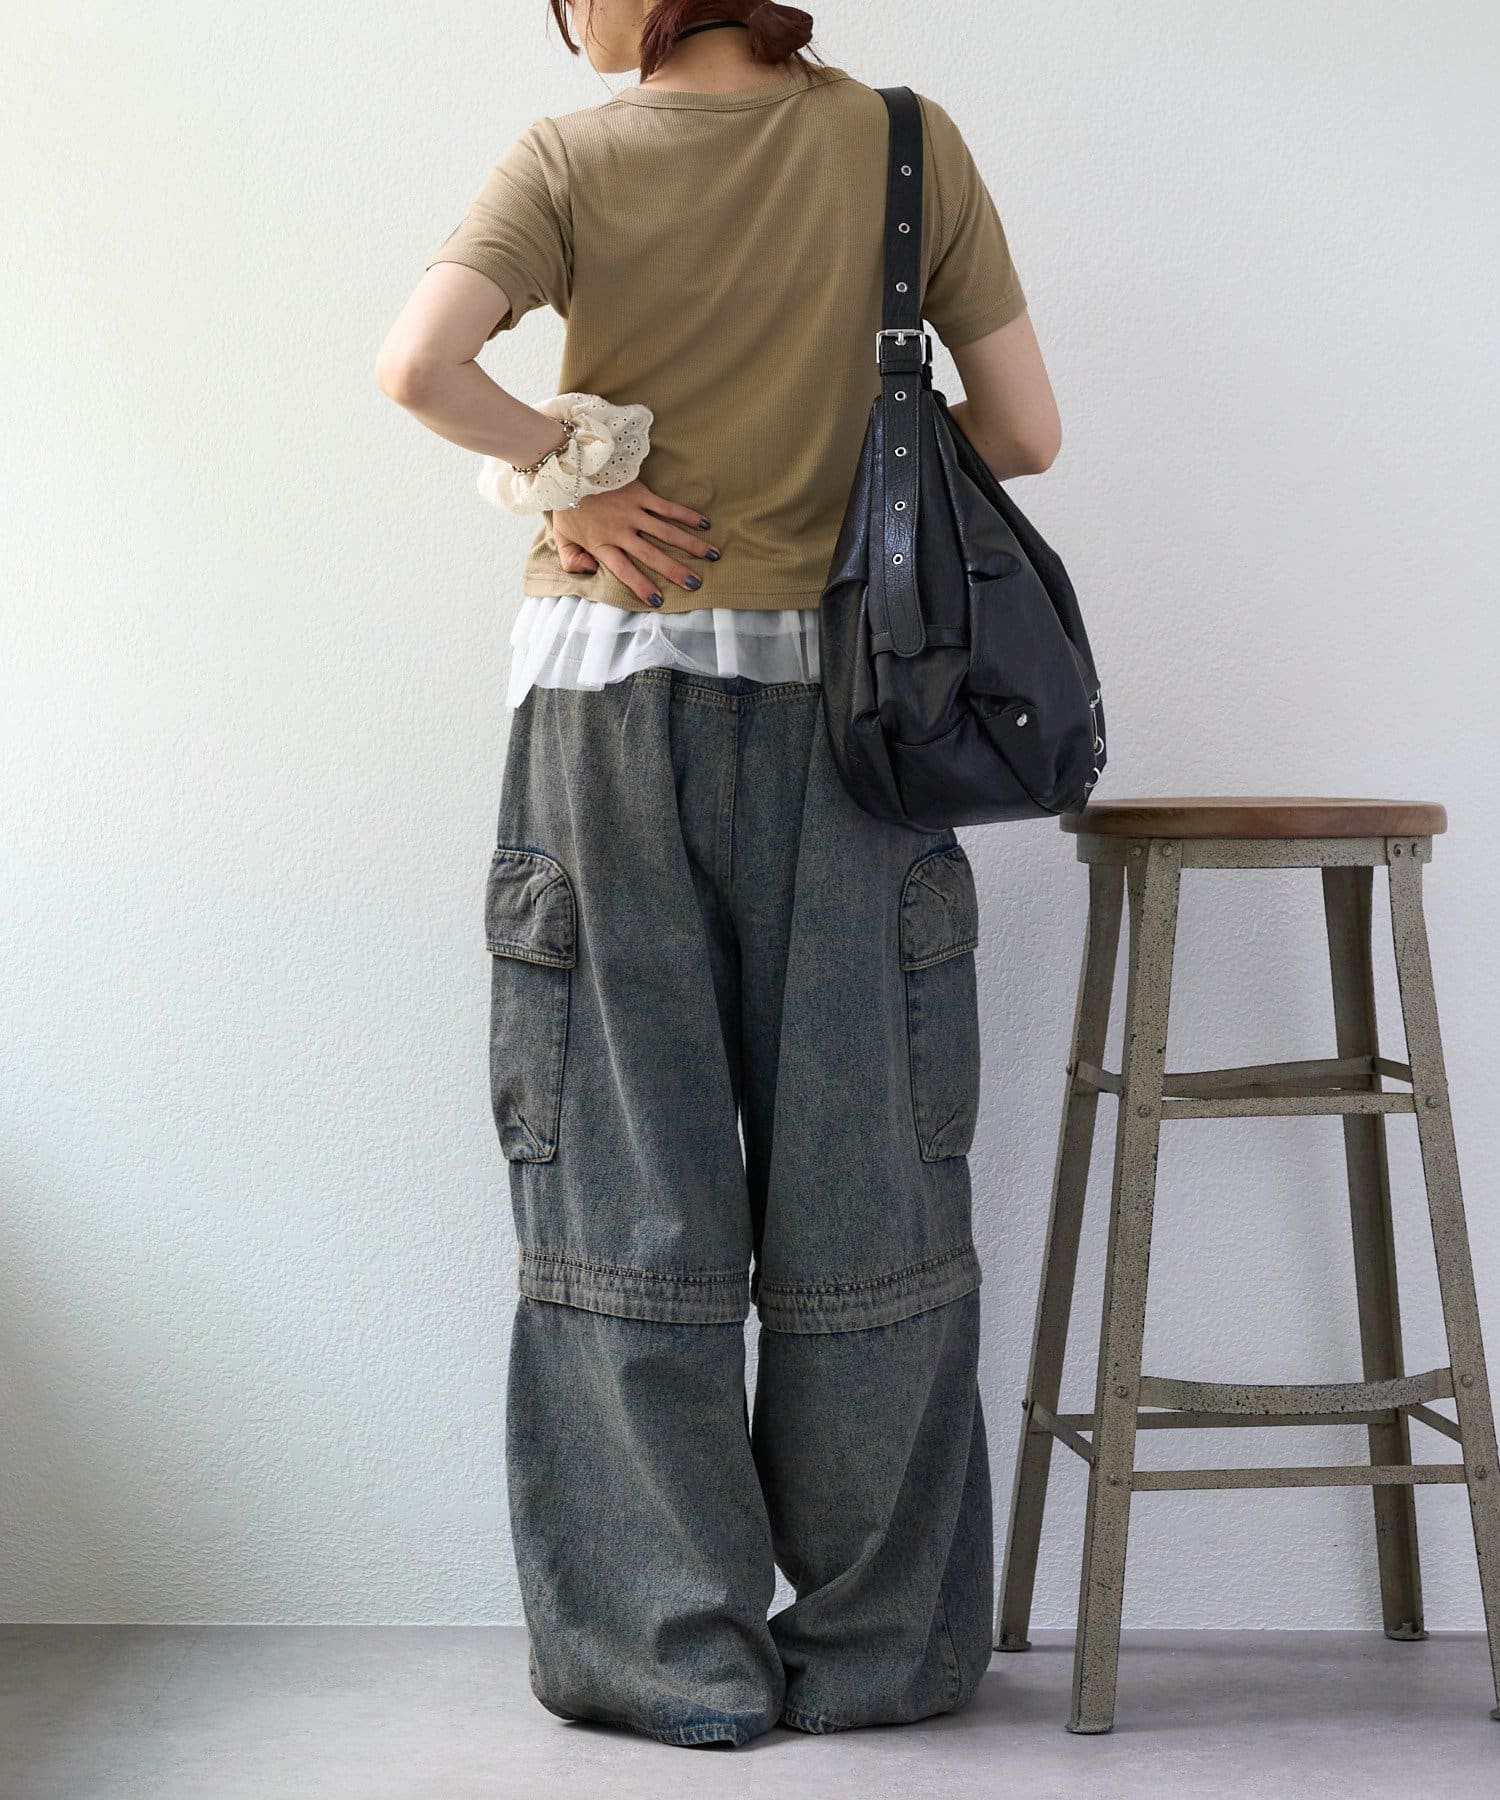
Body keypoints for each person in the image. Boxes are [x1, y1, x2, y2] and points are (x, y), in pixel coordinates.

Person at [377, 0, 1062, 1750]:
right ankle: (877, 1655)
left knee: (625, 1183)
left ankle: (668, 1654)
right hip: (862, 717)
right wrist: (840, 452)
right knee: (871, 1180)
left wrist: (561, 476)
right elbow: (1026, 432)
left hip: (610, 711)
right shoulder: (904, 143)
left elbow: (418, 367)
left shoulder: (569, 159)